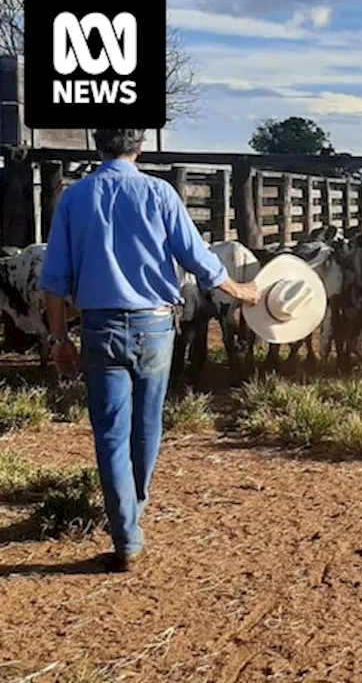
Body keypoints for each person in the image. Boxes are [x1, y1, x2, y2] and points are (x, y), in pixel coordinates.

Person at [39, 129, 260, 573]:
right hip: (155, 325)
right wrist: (240, 290)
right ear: (139, 147)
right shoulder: (159, 193)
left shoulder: (75, 198)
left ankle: (125, 536)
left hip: (99, 327)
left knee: (109, 434)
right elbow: (197, 256)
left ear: (97, 145)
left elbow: (54, 279)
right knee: (148, 424)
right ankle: (134, 509)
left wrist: (60, 337)